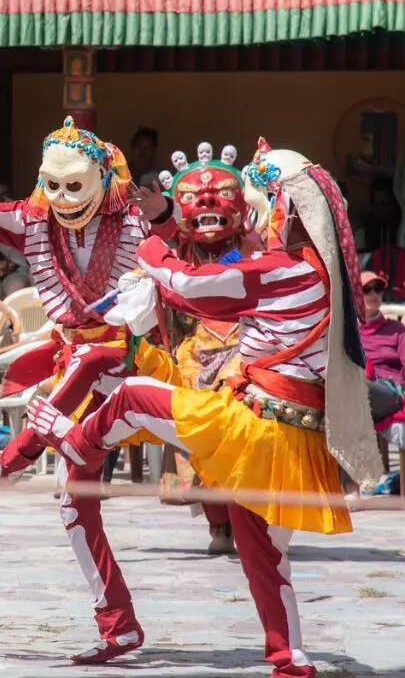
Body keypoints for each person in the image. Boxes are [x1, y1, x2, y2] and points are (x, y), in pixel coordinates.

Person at [18, 141, 382, 676]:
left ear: (283, 209)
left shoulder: (281, 269)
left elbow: (191, 284)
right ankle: (290, 656)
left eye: (265, 203)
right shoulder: (315, 272)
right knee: (263, 551)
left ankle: (72, 439)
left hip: (258, 427)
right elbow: (199, 296)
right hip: (292, 436)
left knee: (134, 395)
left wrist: (147, 251)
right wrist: (164, 249)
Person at [0, 116, 180, 663]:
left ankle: (12, 457)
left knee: (98, 360)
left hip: (137, 359)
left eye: (76, 186)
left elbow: (187, 243)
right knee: (73, 503)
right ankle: (118, 625)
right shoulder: (34, 221)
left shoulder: (137, 220)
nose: (64, 199)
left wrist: (165, 214)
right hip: (77, 369)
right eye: (54, 185)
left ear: (100, 176)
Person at [158, 143, 265, 555]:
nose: (206, 200)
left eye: (221, 191)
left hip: (247, 344)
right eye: (192, 196)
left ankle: (251, 521)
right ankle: (218, 524)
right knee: (197, 429)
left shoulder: (256, 248)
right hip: (194, 351)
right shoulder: (176, 250)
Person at [358, 270, 405, 462]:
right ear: (356, 295)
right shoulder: (349, 330)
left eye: (378, 289)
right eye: (367, 289)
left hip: (390, 391)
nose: (374, 295)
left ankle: (354, 485)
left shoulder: (396, 330)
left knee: (353, 388)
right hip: (358, 394)